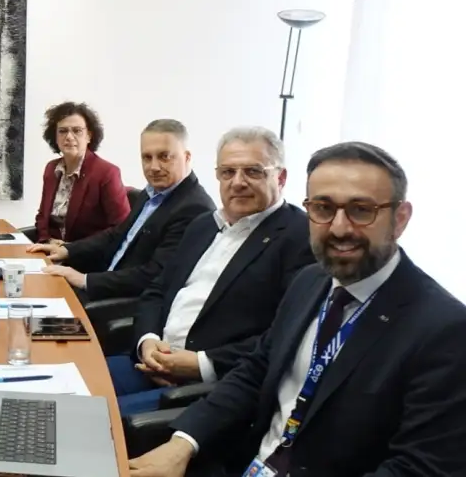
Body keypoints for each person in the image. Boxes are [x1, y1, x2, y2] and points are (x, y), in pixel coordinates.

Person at [130, 142, 466, 477]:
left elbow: (420, 468)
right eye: (323, 208)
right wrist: (182, 444)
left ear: (400, 218)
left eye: (361, 210)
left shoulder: (444, 329)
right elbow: (254, 373)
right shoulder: (310, 281)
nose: (339, 228)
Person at [107, 127, 313, 415]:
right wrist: (148, 341)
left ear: (280, 177)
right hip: (149, 362)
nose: (237, 182)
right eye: (227, 172)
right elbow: (157, 291)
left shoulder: (300, 238)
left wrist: (201, 363)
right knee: (59, 391)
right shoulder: (203, 225)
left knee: (85, 421)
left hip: (208, 388)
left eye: (252, 172)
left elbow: (287, 334)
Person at [29, 119, 215, 300]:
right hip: (104, 279)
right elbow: (117, 235)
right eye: (147, 157)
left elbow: (155, 275)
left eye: (164, 156)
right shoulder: (152, 192)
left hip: (121, 302)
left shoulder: (194, 208)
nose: (154, 167)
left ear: (187, 157)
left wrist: (84, 280)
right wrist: (67, 250)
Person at [33, 101, 131, 244]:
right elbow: (42, 217)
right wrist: (47, 241)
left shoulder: (107, 173)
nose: (69, 137)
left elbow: (121, 228)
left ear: (89, 136)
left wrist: (70, 249)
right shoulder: (51, 169)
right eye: (62, 131)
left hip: (86, 253)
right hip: (50, 249)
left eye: (77, 130)